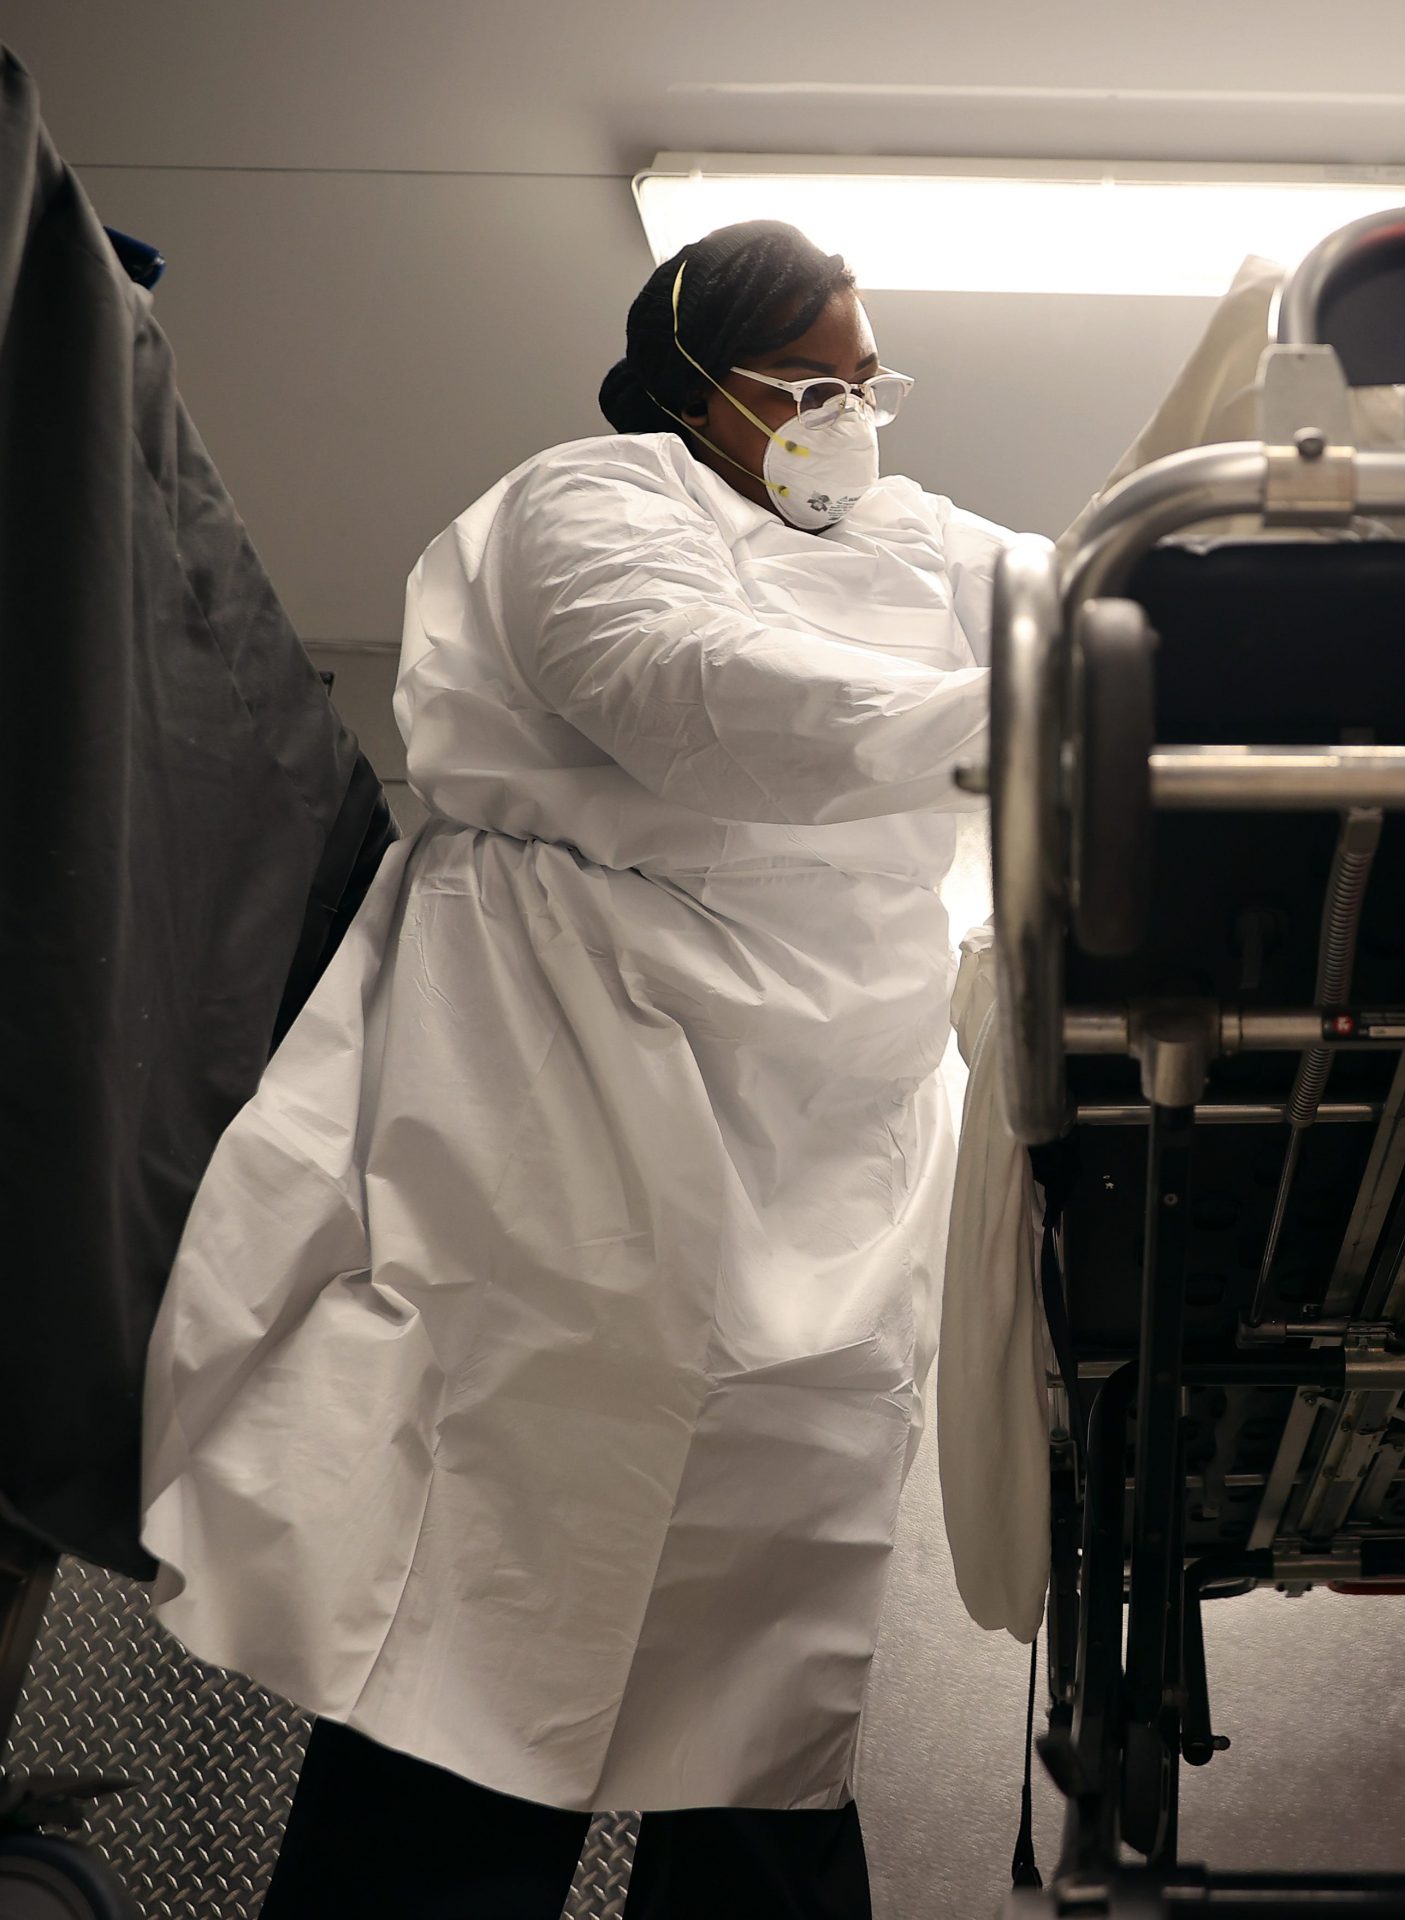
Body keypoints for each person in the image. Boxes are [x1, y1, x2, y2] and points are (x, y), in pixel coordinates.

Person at [137, 219, 1008, 1919]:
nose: (855, 411)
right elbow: (674, 687)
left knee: (762, 1657)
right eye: (815, 382)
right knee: (475, 1610)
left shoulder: (924, 543)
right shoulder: (594, 499)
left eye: (869, 379)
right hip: (572, 1051)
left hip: (823, 1111)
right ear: (701, 389)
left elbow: (1095, 605)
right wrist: (1001, 712)